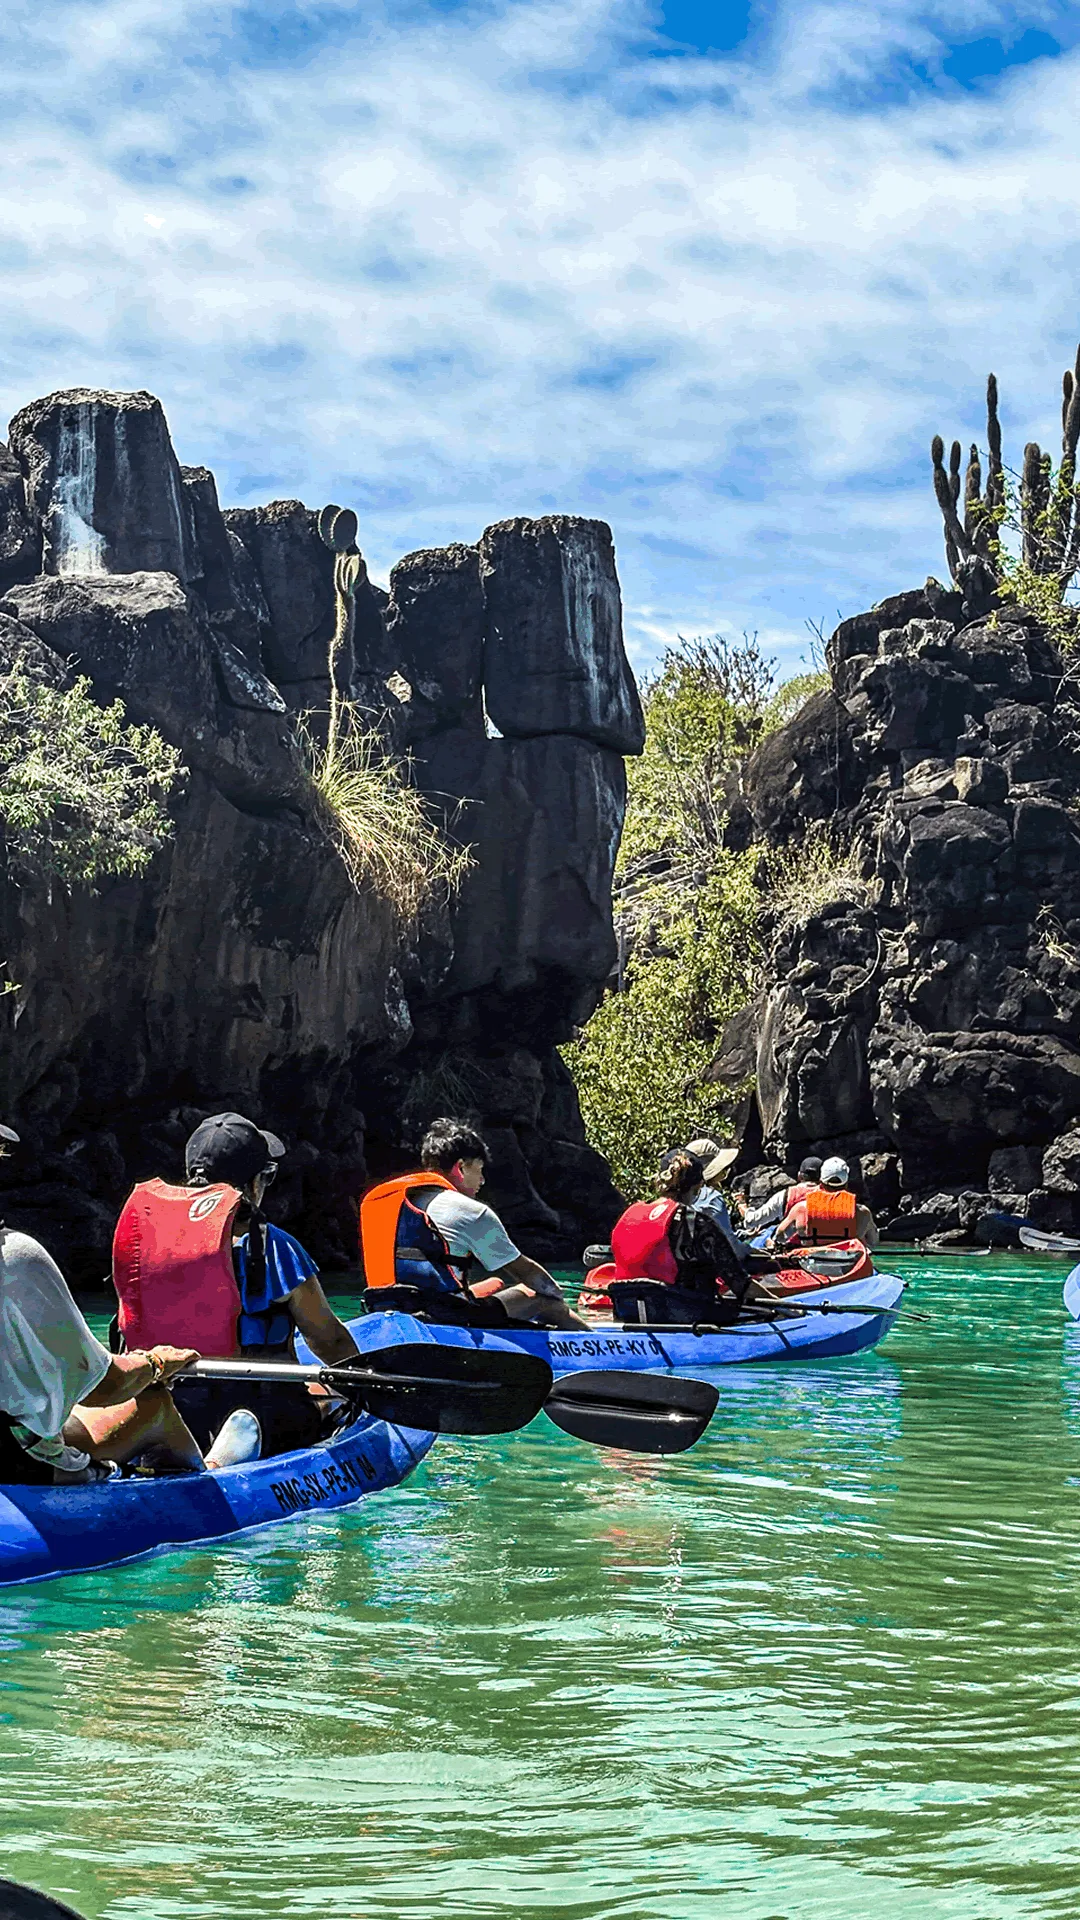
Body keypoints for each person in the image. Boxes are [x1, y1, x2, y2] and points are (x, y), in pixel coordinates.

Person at [0, 1121, 255, 1484]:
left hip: (15, 1442)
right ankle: (210, 1475)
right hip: (22, 1467)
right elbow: (104, 1387)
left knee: (66, 1414)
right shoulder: (15, 1258)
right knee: (153, 1403)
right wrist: (156, 1363)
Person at [112, 1112, 360, 1453]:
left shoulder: (146, 1242)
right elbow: (328, 1340)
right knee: (328, 1402)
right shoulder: (272, 1246)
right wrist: (365, 1388)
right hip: (259, 1405)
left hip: (166, 1404)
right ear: (254, 1184)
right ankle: (239, 1441)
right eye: (267, 1176)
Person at [361, 1118, 589, 1330]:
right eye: (479, 1170)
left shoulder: (394, 1202)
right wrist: (556, 1292)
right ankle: (596, 1342)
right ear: (460, 1167)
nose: (482, 1180)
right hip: (443, 1317)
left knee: (494, 1284)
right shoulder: (470, 1211)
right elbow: (527, 1273)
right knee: (540, 1297)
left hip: (386, 1308)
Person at [611, 1149, 773, 1307]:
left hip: (628, 1310)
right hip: (683, 1313)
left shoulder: (630, 1214)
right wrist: (780, 1305)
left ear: (658, 1181)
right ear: (698, 1186)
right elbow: (741, 1285)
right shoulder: (695, 1223)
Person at [771, 1155, 879, 1250]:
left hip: (811, 1260)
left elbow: (780, 1237)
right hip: (846, 1261)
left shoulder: (801, 1209)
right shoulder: (862, 1212)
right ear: (846, 1183)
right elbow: (873, 1242)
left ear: (821, 1180)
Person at [742, 1157, 823, 1236]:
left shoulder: (784, 1195)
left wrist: (743, 1205)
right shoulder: (829, 1196)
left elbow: (751, 1221)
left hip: (792, 1243)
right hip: (825, 1241)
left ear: (799, 1176)